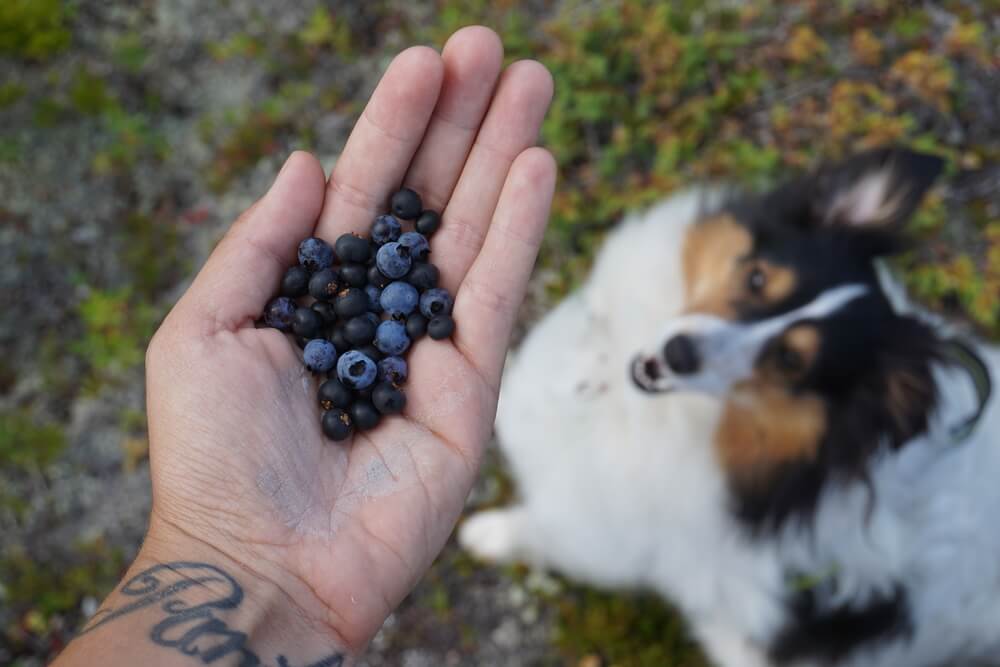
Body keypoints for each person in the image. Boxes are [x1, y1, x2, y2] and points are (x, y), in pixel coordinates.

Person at [53, 26, 555, 667]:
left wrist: (220, 553)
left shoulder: (376, 305)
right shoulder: (357, 325)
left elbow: (371, 315)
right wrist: (232, 551)